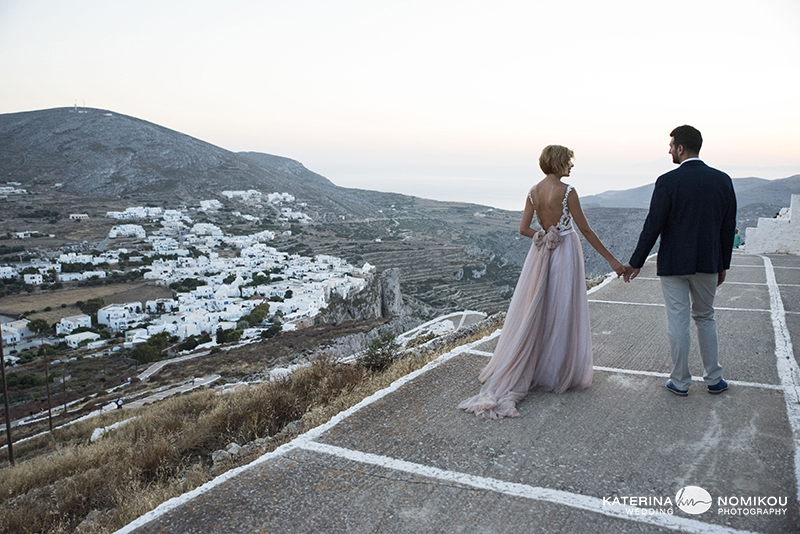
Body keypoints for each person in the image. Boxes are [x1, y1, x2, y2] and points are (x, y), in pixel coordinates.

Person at [459, 145, 625, 419]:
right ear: (559, 163)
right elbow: (584, 229)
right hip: (565, 253)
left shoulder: (533, 191)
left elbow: (524, 229)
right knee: (560, 309)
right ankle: (553, 370)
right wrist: (611, 260)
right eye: (569, 162)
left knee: (536, 308)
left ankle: (528, 365)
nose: (571, 167)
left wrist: (543, 234)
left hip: (540, 254)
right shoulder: (568, 191)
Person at [623, 125, 737, 396]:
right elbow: (727, 227)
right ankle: (714, 379)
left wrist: (636, 262)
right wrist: (723, 264)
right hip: (708, 262)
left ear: (681, 148)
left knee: (678, 320)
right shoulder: (723, 180)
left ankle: (681, 381)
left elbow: (653, 225)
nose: (669, 150)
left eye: (671, 145)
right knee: (706, 317)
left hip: (674, 264)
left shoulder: (667, 181)